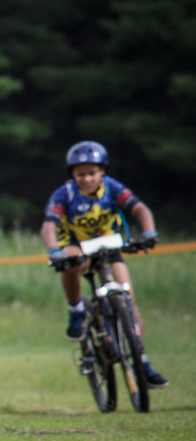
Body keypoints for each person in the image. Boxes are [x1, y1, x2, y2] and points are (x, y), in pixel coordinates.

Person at [40, 140, 167, 388]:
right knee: (70, 262)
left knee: (128, 300)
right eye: (80, 174)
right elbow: (49, 225)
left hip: (108, 245)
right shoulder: (64, 194)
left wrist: (149, 232)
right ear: (72, 175)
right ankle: (76, 309)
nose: (86, 178)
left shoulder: (111, 188)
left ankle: (142, 361)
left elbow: (139, 208)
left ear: (102, 172)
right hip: (77, 244)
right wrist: (53, 250)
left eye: (91, 173)